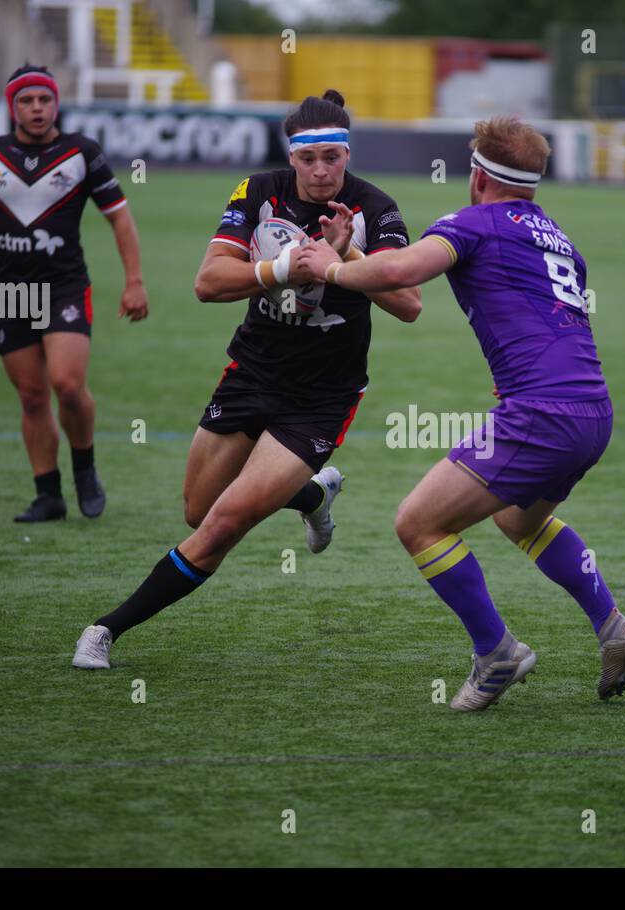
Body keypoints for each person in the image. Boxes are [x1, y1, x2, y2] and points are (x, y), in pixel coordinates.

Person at [297, 117, 625, 712]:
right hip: (590, 409)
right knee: (519, 520)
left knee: (419, 523)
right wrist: (352, 251)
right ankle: (614, 629)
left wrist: (327, 268)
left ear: (479, 177)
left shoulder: (471, 222)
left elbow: (401, 272)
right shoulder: (556, 236)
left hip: (541, 414)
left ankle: (497, 652)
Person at [70, 90, 420, 669]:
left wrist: (345, 258)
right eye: (308, 160)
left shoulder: (375, 209)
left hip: (321, 396)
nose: (320, 172)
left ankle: (106, 630)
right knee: (197, 509)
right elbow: (208, 282)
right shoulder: (258, 191)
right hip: (252, 372)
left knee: (223, 524)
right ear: (292, 156)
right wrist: (283, 268)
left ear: (347, 154)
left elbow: (408, 304)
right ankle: (313, 494)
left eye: (332, 158)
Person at [0, 64, 148, 522]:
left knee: (67, 385)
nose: (36, 109)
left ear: (56, 104)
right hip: (11, 292)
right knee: (32, 397)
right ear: (12, 106)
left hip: (64, 287)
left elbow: (120, 219)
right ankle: (47, 494)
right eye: (27, 101)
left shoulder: (81, 154)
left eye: (44, 100)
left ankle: (85, 467)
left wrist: (134, 281)